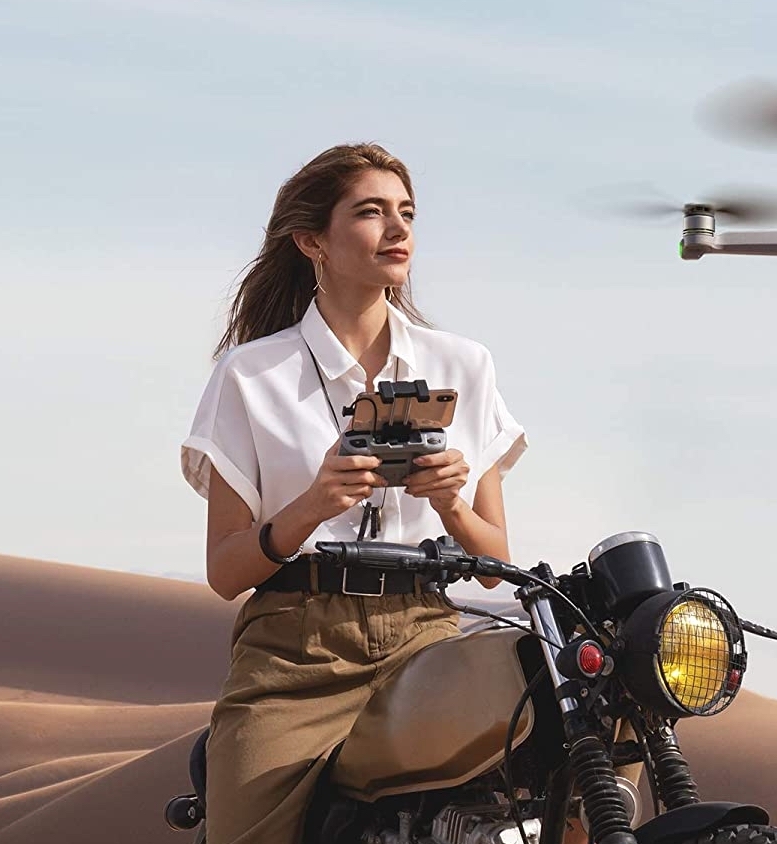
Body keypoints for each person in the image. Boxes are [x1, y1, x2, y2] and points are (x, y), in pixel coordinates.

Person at [180, 142, 527, 843]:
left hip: (427, 634)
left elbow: (495, 558)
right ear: (313, 241)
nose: (398, 230)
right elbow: (224, 572)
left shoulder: (464, 363)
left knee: (554, 759)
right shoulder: (251, 375)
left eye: (407, 213)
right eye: (371, 213)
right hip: (296, 649)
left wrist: (451, 502)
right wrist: (313, 504)